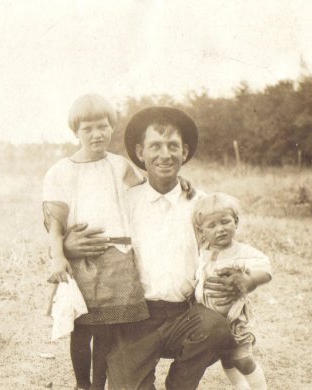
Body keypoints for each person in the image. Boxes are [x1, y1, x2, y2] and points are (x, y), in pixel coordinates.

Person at [102, 106, 234, 390]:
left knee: (216, 328)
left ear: (184, 152)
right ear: (140, 152)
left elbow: (227, 250)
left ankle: (180, 385)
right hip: (135, 319)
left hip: (184, 315)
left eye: (173, 146)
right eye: (155, 146)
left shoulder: (202, 203)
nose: (165, 154)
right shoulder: (125, 203)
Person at [43, 94, 149, 390]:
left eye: (102, 126)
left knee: (108, 329)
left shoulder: (120, 166)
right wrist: (58, 255)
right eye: (87, 128)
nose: (96, 134)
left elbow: (147, 193)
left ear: (112, 127)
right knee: (82, 327)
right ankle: (83, 384)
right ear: (75, 132)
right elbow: (55, 221)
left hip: (118, 257)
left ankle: (100, 384)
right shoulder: (61, 171)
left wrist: (182, 183)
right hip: (83, 257)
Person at [193, 193, 272, 390]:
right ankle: (241, 387)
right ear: (201, 231)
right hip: (209, 319)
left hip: (235, 318)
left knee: (243, 359)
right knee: (227, 358)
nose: (220, 229)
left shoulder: (243, 253)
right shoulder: (201, 253)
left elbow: (265, 269)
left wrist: (251, 279)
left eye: (225, 222)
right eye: (211, 226)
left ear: (235, 222)